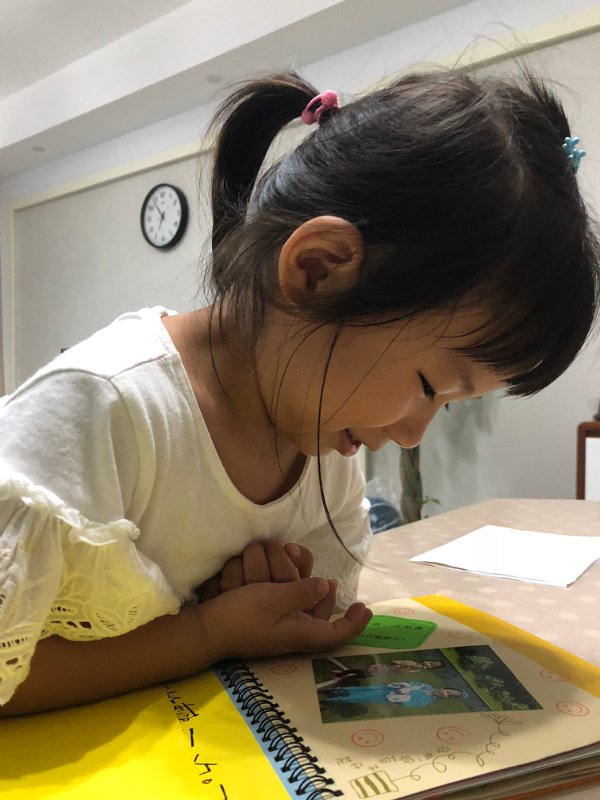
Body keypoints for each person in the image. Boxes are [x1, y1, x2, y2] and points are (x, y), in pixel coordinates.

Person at [0, 66, 598, 717]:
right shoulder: (103, 407)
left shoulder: (324, 444)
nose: (411, 434)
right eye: (429, 387)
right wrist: (208, 633)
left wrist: (276, 612)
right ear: (318, 268)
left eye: (451, 405)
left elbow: (321, 606)